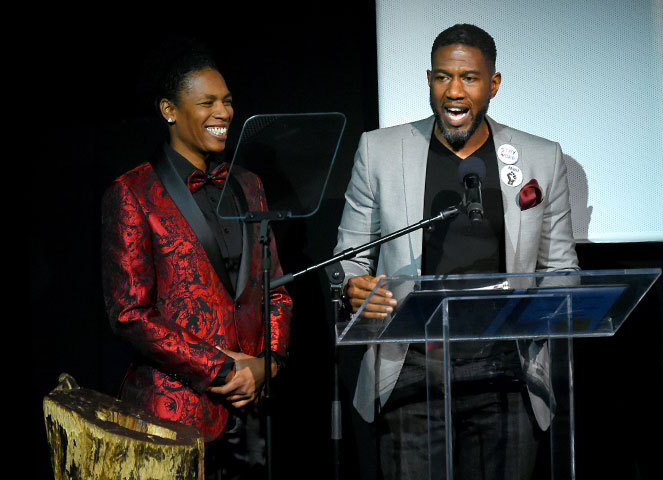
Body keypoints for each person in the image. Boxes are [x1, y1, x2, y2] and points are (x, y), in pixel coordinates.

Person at [334, 24, 579, 479]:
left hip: (506, 368)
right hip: (412, 367)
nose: (454, 91)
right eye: (443, 77)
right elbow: (349, 254)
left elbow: (562, 269)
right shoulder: (379, 150)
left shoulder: (540, 158)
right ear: (429, 79)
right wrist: (353, 285)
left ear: (493, 84)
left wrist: (532, 310)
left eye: (469, 78)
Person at [101, 39, 292, 479]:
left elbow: (275, 289)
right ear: (169, 109)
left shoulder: (249, 184)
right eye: (207, 103)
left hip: (251, 422)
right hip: (171, 420)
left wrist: (267, 365)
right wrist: (223, 370)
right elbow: (130, 313)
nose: (223, 113)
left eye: (227, 101)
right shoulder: (130, 193)